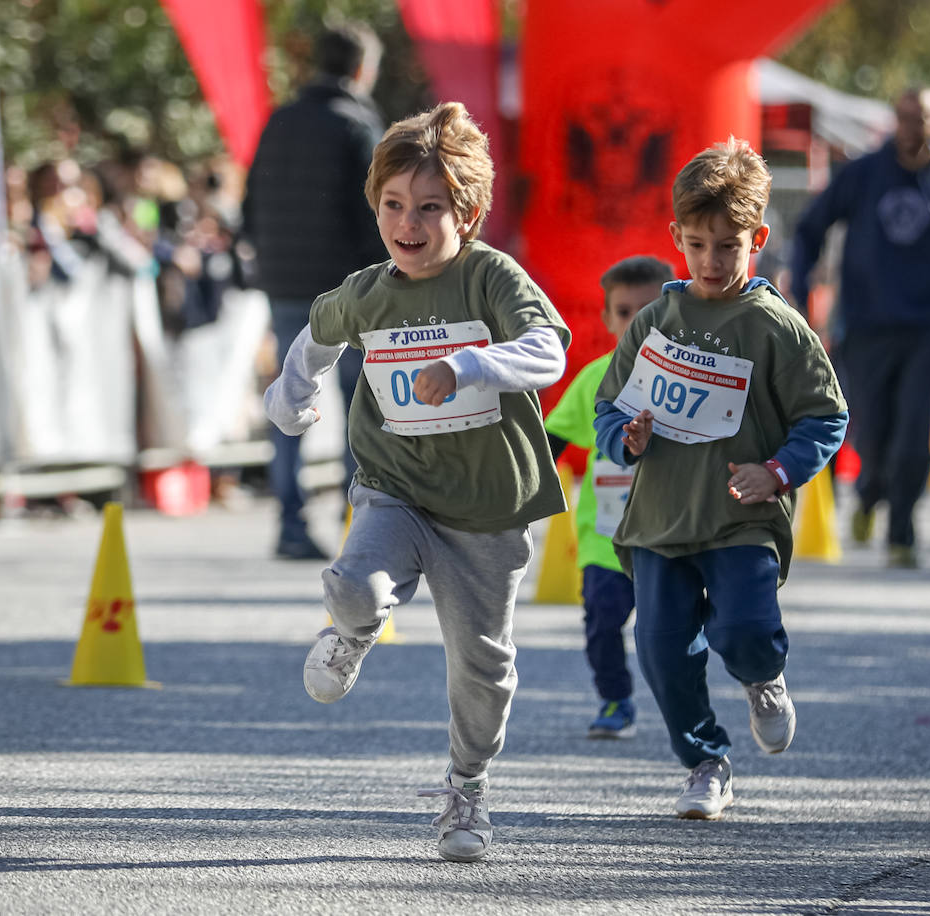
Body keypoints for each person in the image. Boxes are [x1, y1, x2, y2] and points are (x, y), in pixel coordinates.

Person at [263, 102, 570, 861]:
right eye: (393, 205)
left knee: (482, 666)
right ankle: (351, 636)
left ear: (465, 211)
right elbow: (317, 333)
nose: (409, 223)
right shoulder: (371, 289)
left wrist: (469, 364)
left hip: (488, 509)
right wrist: (289, 394)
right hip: (396, 488)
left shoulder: (490, 277)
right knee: (354, 585)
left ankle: (466, 792)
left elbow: (548, 352)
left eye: (429, 208)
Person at [594, 140, 848, 820]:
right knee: (661, 651)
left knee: (742, 631)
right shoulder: (654, 321)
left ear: (757, 240)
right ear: (676, 237)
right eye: (698, 244)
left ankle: (763, 677)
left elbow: (825, 417)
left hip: (740, 515)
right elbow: (610, 404)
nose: (711, 261)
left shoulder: (775, 327)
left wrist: (778, 471)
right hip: (659, 519)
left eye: (728, 246)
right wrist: (627, 435)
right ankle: (707, 762)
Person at [790, 87, 930, 569]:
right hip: (865, 324)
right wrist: (800, 289)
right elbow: (811, 227)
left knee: (913, 430)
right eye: (904, 117)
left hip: (926, 329)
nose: (912, 126)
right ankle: (869, 495)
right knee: (871, 426)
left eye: (922, 118)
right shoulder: (864, 175)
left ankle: (902, 529)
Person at [243, 22, 386, 560]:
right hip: (345, 290)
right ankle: (361, 525)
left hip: (283, 284)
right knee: (356, 408)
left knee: (288, 401)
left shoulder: (279, 120)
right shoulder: (357, 124)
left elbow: (249, 202)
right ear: (361, 69)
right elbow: (375, 213)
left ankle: (290, 525)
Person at [543, 255, 673, 739]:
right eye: (624, 311)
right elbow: (550, 443)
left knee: (670, 632)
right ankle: (615, 700)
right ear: (606, 319)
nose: (636, 321)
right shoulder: (596, 378)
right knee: (601, 623)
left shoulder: (691, 376)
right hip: (606, 539)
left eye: (650, 308)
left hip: (673, 535)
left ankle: (683, 702)